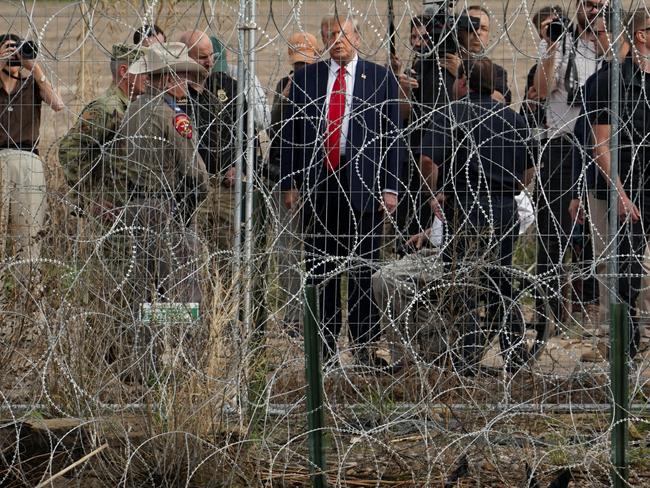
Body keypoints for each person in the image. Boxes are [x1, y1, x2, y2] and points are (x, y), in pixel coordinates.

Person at [281, 15, 402, 365]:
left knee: (363, 269)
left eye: (343, 35)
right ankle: (324, 349)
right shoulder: (307, 78)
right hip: (321, 182)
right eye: (330, 35)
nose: (337, 41)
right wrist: (290, 182)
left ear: (357, 38)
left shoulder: (379, 79)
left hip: (363, 182)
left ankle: (364, 347)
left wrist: (390, 188)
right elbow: (291, 135)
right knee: (322, 269)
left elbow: (393, 136)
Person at [418, 59, 535, 375]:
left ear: (465, 82)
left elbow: (428, 159)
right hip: (504, 208)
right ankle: (514, 352)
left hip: (465, 206)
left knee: (463, 282)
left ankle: (466, 355)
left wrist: (432, 192)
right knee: (500, 279)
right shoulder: (514, 119)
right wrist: (505, 186)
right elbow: (528, 169)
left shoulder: (451, 114)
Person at [108, 43, 209, 307]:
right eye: (182, 76)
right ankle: (177, 344)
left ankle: (146, 343)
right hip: (165, 210)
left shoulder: (133, 109)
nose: (186, 84)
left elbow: (118, 162)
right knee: (180, 293)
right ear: (166, 79)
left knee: (142, 291)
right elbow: (195, 174)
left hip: (133, 209)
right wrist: (188, 210)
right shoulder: (172, 117)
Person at [531, 0, 604, 337]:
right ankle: (550, 312)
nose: (593, 11)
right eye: (588, 4)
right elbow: (543, 89)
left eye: (600, 5)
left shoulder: (607, 47)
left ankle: (594, 308)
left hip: (599, 146)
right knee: (552, 231)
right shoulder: (562, 45)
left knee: (597, 231)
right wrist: (552, 45)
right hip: (561, 146)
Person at [587, 8, 650, 360]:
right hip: (629, 190)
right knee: (625, 269)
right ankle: (626, 344)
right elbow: (601, 144)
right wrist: (621, 194)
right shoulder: (612, 82)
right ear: (641, 35)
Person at [0, 33, 63, 297]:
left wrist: (33, 66)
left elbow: (58, 104)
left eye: (18, 50)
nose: (14, 55)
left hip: (28, 160)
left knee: (28, 246)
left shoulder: (31, 84)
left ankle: (29, 318)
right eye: (9, 50)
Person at [268, 31, 320, 333]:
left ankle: (313, 314)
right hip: (282, 178)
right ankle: (291, 316)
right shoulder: (284, 87)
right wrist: (284, 100)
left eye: (306, 64)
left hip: (313, 180)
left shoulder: (322, 88)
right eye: (297, 65)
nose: (301, 70)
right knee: (287, 251)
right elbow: (275, 130)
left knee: (314, 248)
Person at [59, 44, 146, 213]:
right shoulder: (105, 108)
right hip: (109, 210)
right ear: (124, 72)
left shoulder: (131, 106)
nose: (147, 77)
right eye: (143, 70)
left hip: (128, 206)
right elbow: (69, 150)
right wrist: (90, 199)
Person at [454, 5, 511, 103]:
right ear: (459, 31)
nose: (478, 32)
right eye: (472, 26)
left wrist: (459, 72)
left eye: (484, 28)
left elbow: (501, 101)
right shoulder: (439, 64)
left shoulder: (495, 71)